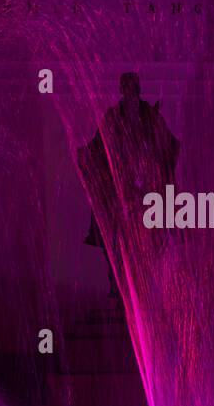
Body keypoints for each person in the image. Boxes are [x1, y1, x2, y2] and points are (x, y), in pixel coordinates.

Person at [76, 72, 180, 296]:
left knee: (156, 233)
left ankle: (145, 280)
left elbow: (170, 145)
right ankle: (118, 281)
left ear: (138, 91)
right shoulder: (113, 117)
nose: (130, 94)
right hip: (122, 186)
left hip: (147, 184)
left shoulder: (150, 116)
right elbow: (97, 144)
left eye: (133, 89)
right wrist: (85, 153)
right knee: (113, 232)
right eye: (127, 89)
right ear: (123, 91)